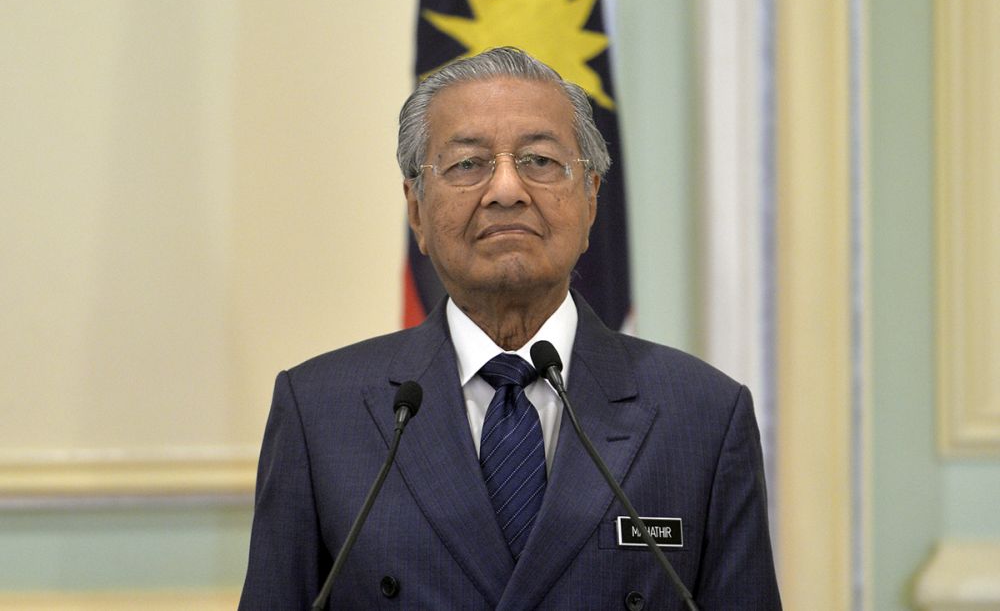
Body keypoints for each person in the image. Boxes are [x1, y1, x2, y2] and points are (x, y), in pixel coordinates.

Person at [239, 47, 781, 609]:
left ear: (591, 199)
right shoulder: (321, 412)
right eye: (468, 164)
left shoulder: (703, 416)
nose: (506, 190)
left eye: (540, 161)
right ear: (417, 210)